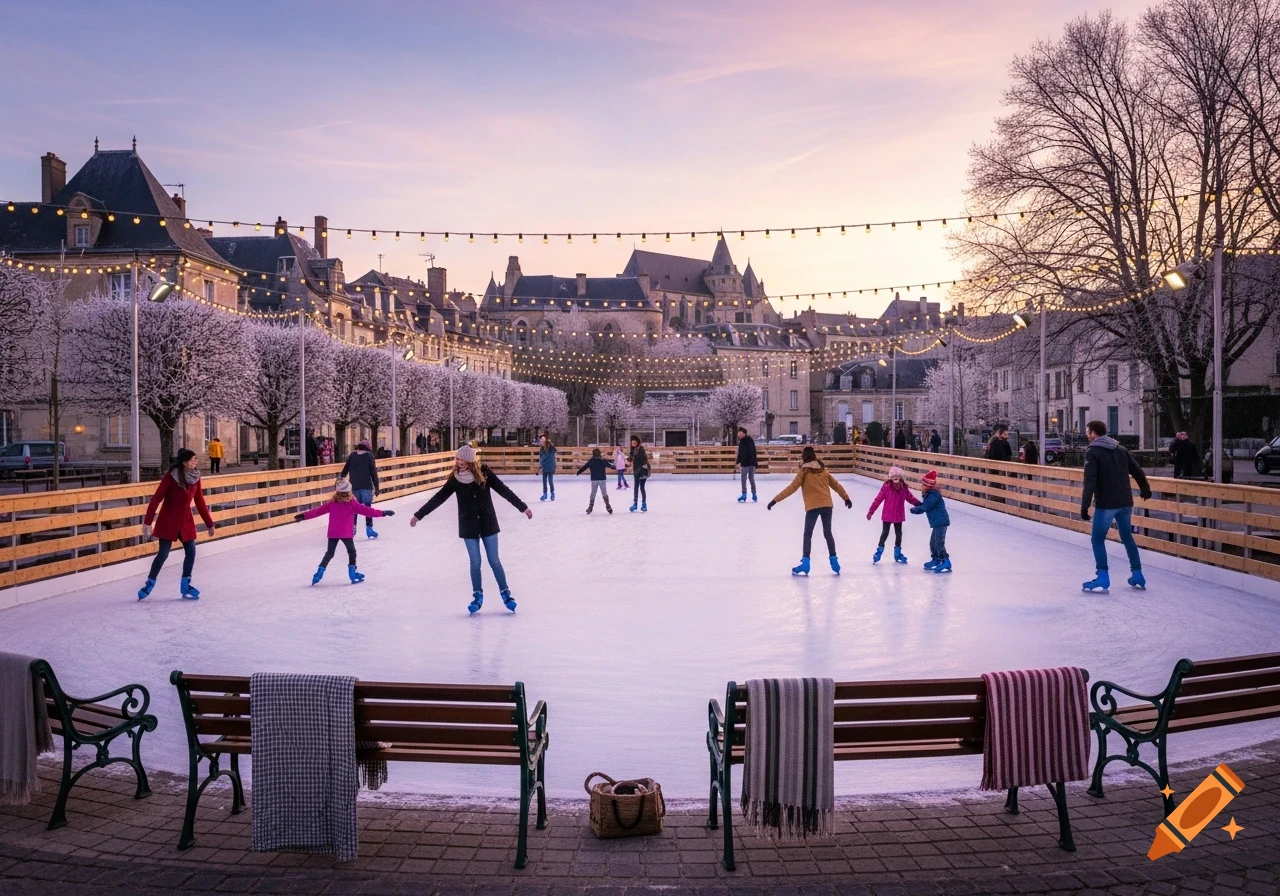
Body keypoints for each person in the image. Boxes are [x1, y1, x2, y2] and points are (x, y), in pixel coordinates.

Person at [411, 445, 532, 614]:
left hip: (488, 522)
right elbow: (439, 497)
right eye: (457, 459)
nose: (459, 462)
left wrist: (523, 507)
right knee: (475, 562)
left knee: (494, 560)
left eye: (462, 459)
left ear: (470, 460)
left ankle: (506, 593)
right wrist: (419, 515)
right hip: (468, 525)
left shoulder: (484, 473)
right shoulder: (456, 478)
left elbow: (503, 490)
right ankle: (477, 596)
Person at [1081, 420, 1152, 593]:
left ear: (1093, 433)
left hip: (1107, 503)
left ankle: (1103, 576)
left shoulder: (1093, 452)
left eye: (1087, 431)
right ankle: (1137, 574)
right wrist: (1145, 487)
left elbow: (1090, 480)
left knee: (1097, 539)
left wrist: (1084, 506)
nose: (1086, 435)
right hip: (1125, 502)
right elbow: (1137, 470)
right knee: (1127, 537)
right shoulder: (1120, 449)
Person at [137, 448, 215, 601]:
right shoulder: (170, 477)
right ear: (185, 462)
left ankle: (185, 584)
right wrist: (147, 522)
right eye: (193, 460)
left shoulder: (196, 477)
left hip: (185, 520)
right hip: (169, 520)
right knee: (163, 554)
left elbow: (200, 501)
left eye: (196, 459)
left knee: (191, 552)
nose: (195, 462)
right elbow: (156, 499)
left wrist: (209, 523)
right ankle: (149, 583)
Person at [768, 446, 852, 576]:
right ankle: (834, 560)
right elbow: (836, 484)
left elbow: (792, 488)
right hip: (827, 505)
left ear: (804, 457)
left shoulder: (804, 471)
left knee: (808, 534)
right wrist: (846, 498)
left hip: (813, 506)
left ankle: (806, 563)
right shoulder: (822, 469)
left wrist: (775, 500)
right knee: (828, 533)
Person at [295, 479, 394, 585]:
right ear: (349, 491)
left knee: (329, 553)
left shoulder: (332, 503)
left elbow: (317, 511)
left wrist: (303, 516)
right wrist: (383, 513)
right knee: (352, 552)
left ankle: (319, 572)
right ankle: (352, 573)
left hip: (333, 533)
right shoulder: (352, 504)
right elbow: (367, 511)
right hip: (346, 533)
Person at [866, 465, 921, 564]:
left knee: (899, 534)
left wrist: (919, 504)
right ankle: (879, 551)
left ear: (900, 477)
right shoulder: (886, 488)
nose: (895, 478)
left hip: (899, 515)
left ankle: (897, 553)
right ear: (890, 478)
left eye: (897, 476)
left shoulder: (904, 488)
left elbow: (910, 498)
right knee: (885, 533)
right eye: (893, 477)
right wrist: (871, 512)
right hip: (887, 515)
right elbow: (877, 500)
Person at [909, 469, 951, 573]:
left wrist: (914, 510)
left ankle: (945, 561)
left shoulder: (934, 495)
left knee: (938, 543)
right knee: (933, 543)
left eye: (923, 485)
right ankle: (936, 559)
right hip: (936, 522)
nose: (922, 487)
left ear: (928, 486)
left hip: (941, 522)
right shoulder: (929, 494)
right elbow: (924, 505)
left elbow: (925, 507)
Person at [340, 440, 382, 538]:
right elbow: (373, 473)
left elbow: (345, 470)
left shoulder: (352, 456)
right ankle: (369, 528)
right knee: (367, 508)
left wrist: (340, 480)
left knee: (354, 508)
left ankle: (352, 528)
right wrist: (377, 487)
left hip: (354, 486)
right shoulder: (369, 456)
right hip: (366, 486)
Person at [576, 448, 615, 514]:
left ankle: (605, 506)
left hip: (599, 479)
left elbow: (610, 465)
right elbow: (610, 466)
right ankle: (604, 506)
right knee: (599, 493)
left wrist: (579, 471)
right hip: (598, 479)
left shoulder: (598, 460)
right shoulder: (597, 460)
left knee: (597, 493)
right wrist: (579, 471)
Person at [734, 426, 758, 503]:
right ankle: (750, 494)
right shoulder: (748, 440)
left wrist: (739, 462)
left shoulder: (744, 441)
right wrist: (738, 462)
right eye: (739, 433)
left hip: (747, 463)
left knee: (746, 479)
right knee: (750, 478)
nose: (739, 435)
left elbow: (743, 453)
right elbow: (742, 453)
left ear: (744, 433)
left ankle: (748, 494)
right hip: (750, 462)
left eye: (741, 433)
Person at [629, 435, 651, 512]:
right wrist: (627, 460)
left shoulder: (641, 449)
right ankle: (635, 504)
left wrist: (645, 469)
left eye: (634, 443)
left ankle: (644, 504)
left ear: (637, 443)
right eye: (632, 443)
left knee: (641, 488)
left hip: (642, 471)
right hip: (636, 472)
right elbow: (631, 459)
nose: (633, 444)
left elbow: (644, 460)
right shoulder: (632, 450)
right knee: (635, 488)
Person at [537, 434, 557, 502]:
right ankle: (545, 494)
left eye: (542, 440)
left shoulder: (550, 447)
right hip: (544, 467)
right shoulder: (541, 449)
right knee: (544, 482)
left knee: (550, 481)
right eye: (541, 440)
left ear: (545, 441)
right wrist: (539, 468)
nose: (541, 441)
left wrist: (550, 443)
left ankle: (552, 493)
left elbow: (555, 450)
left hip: (550, 466)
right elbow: (541, 459)